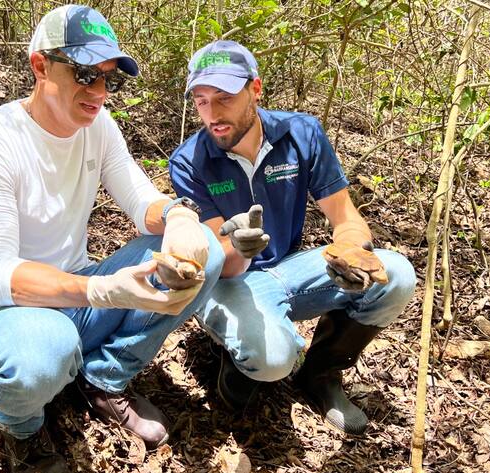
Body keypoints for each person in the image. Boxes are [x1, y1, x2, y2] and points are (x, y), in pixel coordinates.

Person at [0, 6, 224, 473]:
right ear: (40, 66)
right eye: (83, 75)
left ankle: (100, 378)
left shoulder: (97, 125)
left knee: (207, 249)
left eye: (107, 80)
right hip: (13, 313)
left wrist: (181, 217)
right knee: (41, 355)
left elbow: (142, 202)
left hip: (80, 298)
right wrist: (104, 290)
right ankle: (23, 433)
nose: (98, 94)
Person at [169, 40, 416, 435]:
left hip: (290, 266)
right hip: (232, 281)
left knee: (397, 275)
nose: (212, 114)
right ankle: (240, 366)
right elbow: (218, 261)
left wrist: (351, 251)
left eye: (224, 97)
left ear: (255, 89)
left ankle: (320, 376)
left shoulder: (301, 134)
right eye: (200, 101)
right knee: (272, 360)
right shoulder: (189, 160)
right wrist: (238, 245)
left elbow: (345, 215)